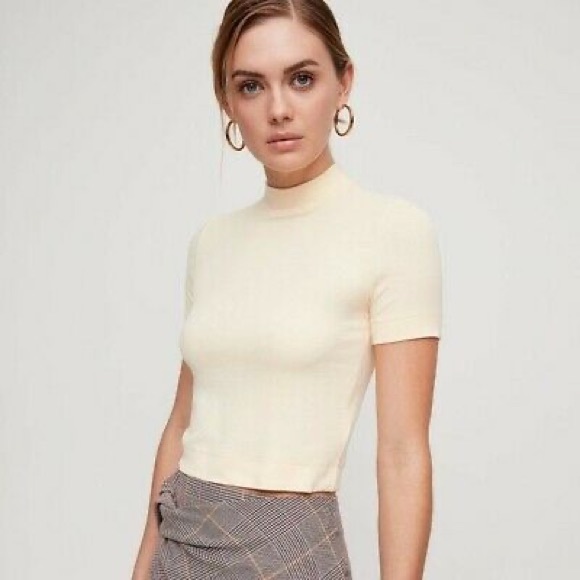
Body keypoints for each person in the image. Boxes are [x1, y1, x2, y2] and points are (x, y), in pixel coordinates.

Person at [132, 1, 442, 579]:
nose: (278, 109)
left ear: (343, 82)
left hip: (291, 555)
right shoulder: (211, 242)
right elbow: (181, 424)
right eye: (251, 86)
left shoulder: (394, 233)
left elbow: (403, 453)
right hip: (180, 544)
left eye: (302, 79)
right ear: (228, 102)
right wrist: (142, 569)